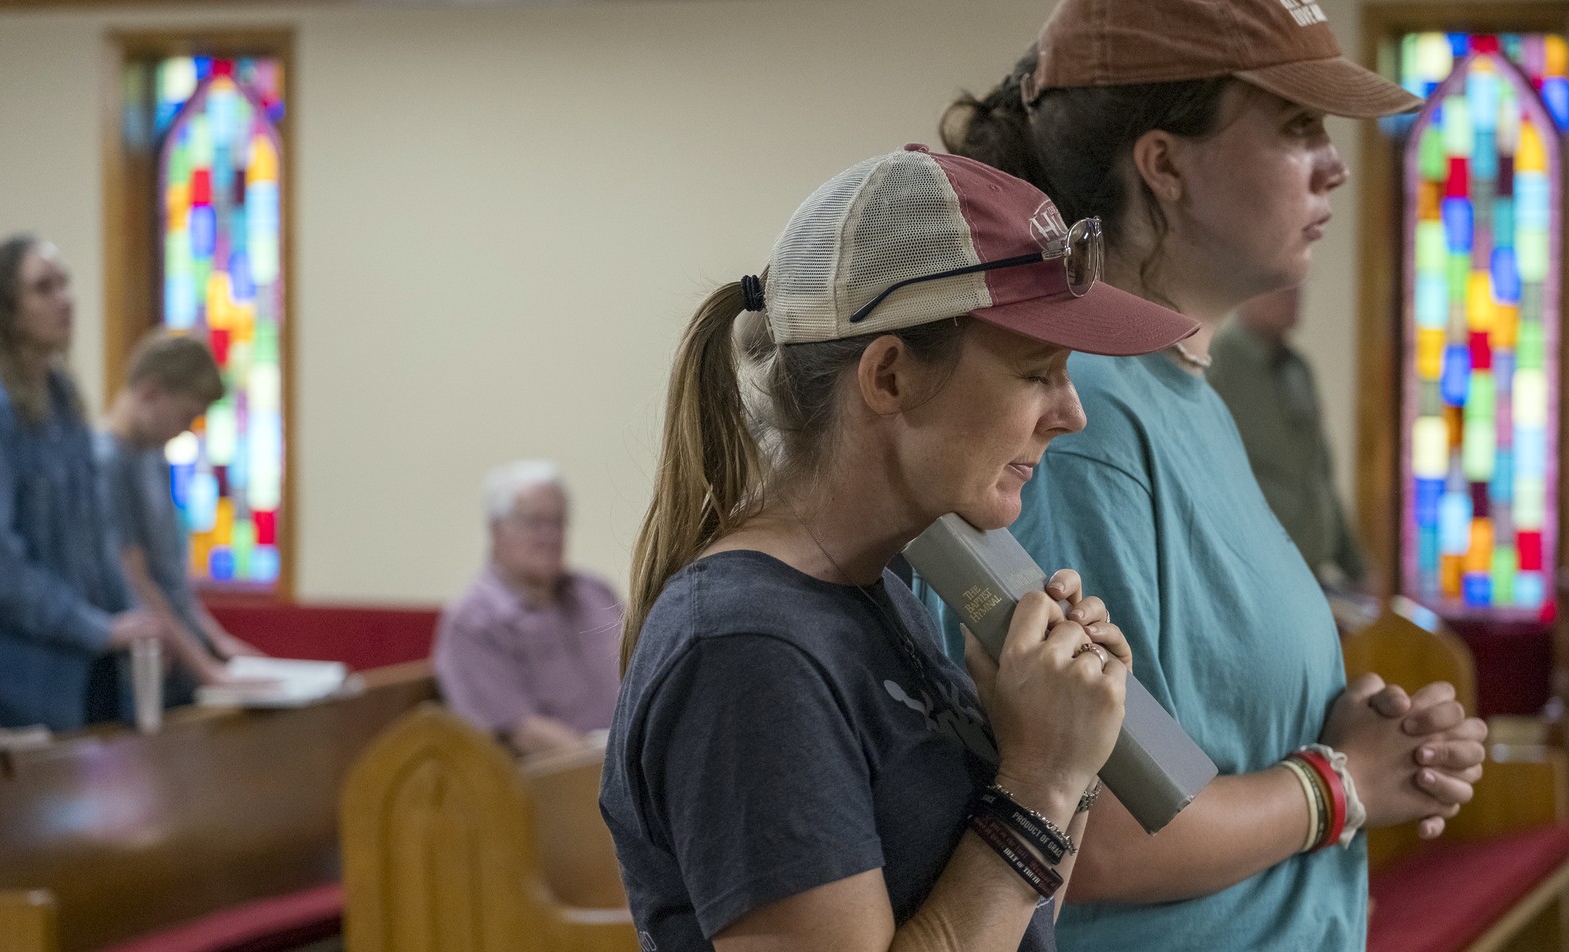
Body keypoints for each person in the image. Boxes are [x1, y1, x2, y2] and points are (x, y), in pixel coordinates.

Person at [926, 2, 1489, 949]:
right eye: (1298, 125)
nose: (1336, 165)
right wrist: (1342, 784)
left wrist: (1359, 732)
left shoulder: (1184, 396)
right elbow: (1085, 839)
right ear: (1166, 165)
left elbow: (1204, 734)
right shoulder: (1086, 415)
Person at [600, 143, 1201, 952]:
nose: (1071, 413)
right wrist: (1041, 781)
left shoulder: (875, 593)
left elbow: (1017, 920)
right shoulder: (745, 652)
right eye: (1036, 373)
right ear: (889, 377)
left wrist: (1068, 748)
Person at [0, 234, 166, 731]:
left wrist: (136, 621)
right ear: (5, 311)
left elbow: (97, 539)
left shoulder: (62, 396)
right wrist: (96, 628)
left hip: (91, 665)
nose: (65, 299)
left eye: (65, 284)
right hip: (27, 676)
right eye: (43, 288)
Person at [95, 330, 267, 710]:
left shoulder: (152, 457)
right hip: (148, 666)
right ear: (151, 392)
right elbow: (137, 581)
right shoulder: (106, 463)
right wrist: (207, 671)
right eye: (187, 415)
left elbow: (172, 581)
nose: (188, 429)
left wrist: (217, 643)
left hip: (183, 655)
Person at [432, 460, 623, 757]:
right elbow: (521, 732)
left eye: (558, 522)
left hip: (624, 766)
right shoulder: (473, 622)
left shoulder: (594, 593)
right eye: (535, 522)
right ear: (497, 530)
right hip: (553, 784)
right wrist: (610, 768)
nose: (551, 536)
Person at [1207, 284, 1370, 589]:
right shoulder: (1218, 365)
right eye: (1279, 286)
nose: (1294, 294)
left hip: (1313, 574)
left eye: (1298, 286)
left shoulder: (1298, 369)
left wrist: (1357, 568)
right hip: (1256, 576)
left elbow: (1319, 474)